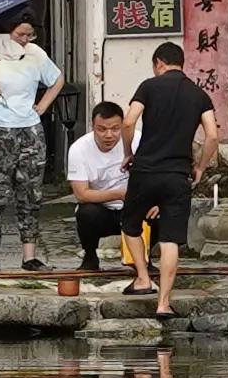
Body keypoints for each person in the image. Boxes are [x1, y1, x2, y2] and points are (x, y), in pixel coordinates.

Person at [0, 15, 64, 277]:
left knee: (30, 193)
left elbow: (56, 79)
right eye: (19, 35)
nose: (25, 40)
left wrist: (43, 106)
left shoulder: (35, 54)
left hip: (30, 129)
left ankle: (30, 255)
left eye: (29, 35)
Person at [127, 40, 218, 301]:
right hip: (178, 173)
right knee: (170, 239)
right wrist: (200, 166)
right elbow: (212, 136)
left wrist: (128, 154)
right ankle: (164, 303)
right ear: (182, 64)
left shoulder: (148, 86)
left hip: (145, 170)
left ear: (159, 64)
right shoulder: (199, 94)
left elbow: (128, 122)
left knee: (131, 224)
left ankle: (143, 278)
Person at [58, 100, 138, 285]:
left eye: (115, 129)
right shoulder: (79, 149)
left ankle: (143, 260)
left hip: (133, 207)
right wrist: (119, 194)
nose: (109, 135)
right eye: (101, 129)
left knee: (157, 208)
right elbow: (82, 194)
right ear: (92, 126)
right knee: (86, 212)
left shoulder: (137, 140)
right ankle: (90, 256)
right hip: (102, 209)